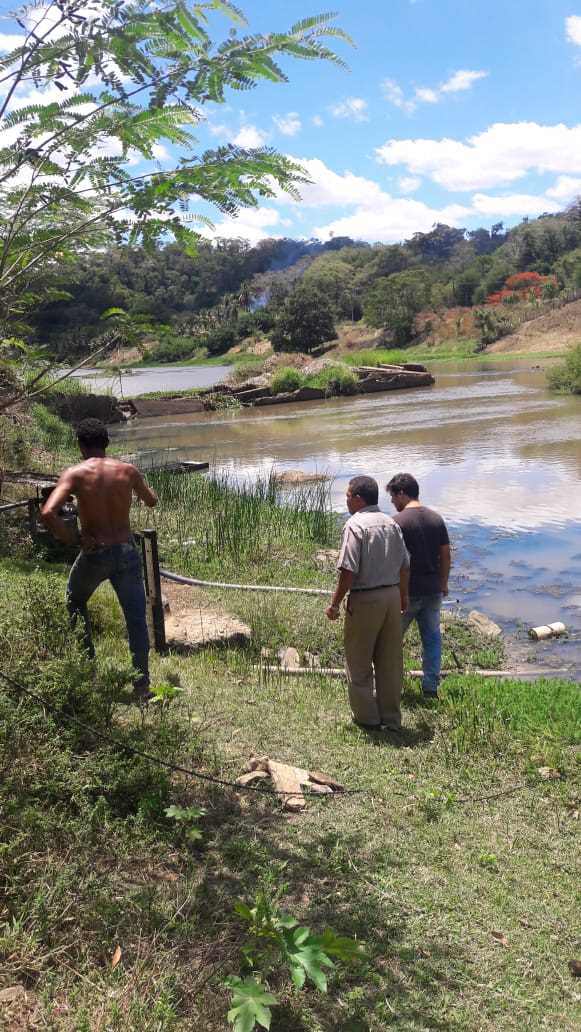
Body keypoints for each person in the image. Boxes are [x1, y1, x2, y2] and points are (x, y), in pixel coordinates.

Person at [41, 417, 158, 699]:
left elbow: (47, 513)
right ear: (106, 443)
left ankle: (88, 672)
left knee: (75, 601)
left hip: (95, 553)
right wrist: (135, 489)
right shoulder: (127, 470)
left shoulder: (75, 474)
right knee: (135, 617)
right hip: (126, 551)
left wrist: (74, 539)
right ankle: (142, 685)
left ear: (81, 445)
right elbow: (152, 500)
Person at [326, 475, 410, 731]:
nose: (346, 501)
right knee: (390, 661)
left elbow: (348, 570)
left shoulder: (355, 525)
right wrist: (403, 596)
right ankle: (391, 718)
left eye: (348, 496)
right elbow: (405, 565)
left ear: (358, 498)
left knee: (359, 660)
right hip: (391, 596)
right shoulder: (391, 523)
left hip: (365, 598)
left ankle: (367, 718)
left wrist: (335, 604)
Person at [386, 473, 451, 699]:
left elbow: (393, 560)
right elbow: (445, 555)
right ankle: (430, 687)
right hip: (433, 590)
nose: (392, 501)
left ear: (402, 493)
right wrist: (443, 582)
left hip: (406, 593)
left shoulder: (397, 522)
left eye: (393, 496)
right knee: (432, 640)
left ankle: (390, 685)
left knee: (391, 640)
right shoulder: (436, 519)